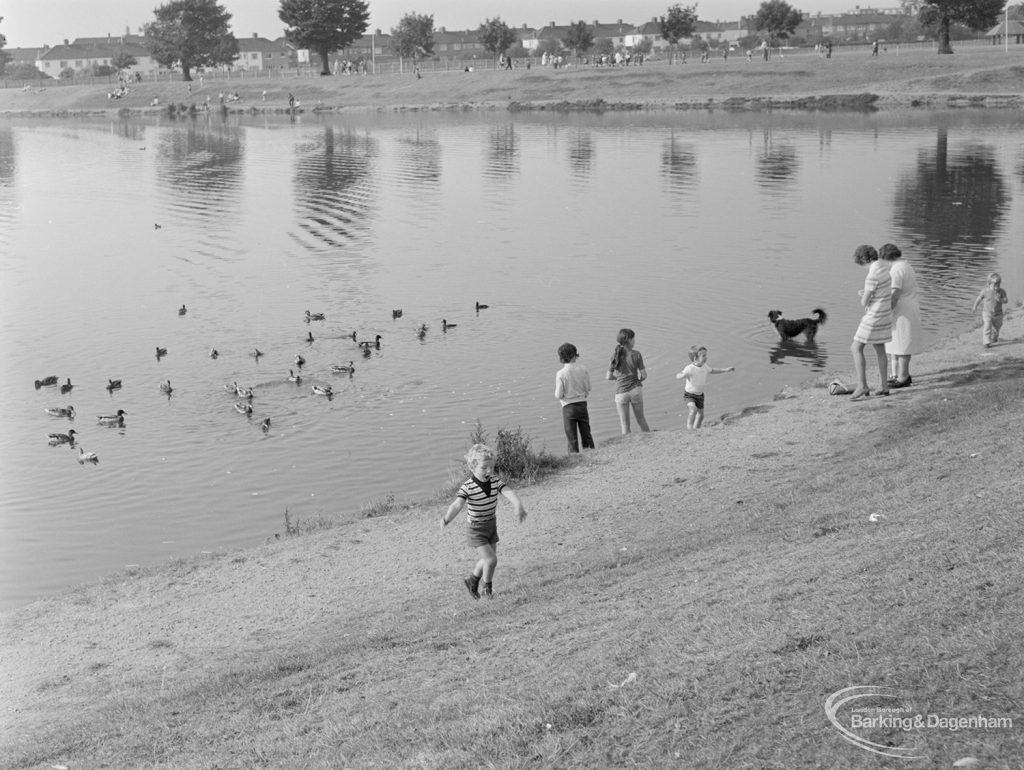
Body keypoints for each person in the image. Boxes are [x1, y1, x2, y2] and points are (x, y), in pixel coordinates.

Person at [441, 444, 526, 599]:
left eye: (492, 467)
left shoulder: (495, 481)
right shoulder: (468, 487)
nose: (489, 471)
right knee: (491, 559)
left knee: (487, 559)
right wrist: (447, 518)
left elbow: (509, 492)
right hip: (476, 529)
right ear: (473, 467)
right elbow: (457, 504)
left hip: (491, 525)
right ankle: (487, 589)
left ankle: (472, 581)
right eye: (484, 467)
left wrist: (518, 505)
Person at [850, 244, 892, 401]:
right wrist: (868, 294)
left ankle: (862, 386)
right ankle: (884, 385)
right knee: (880, 348)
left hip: (874, 316)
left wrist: (863, 294)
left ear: (863, 260)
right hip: (885, 314)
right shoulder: (884, 267)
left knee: (855, 347)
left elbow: (864, 302)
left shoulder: (872, 274)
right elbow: (880, 291)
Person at [881, 243, 923, 388]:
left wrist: (886, 311)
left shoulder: (896, 270)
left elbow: (895, 294)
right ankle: (900, 374)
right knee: (900, 343)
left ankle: (903, 377)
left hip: (902, 311)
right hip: (910, 306)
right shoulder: (906, 265)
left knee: (902, 343)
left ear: (886, 258)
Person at [675, 346, 735, 429]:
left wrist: (725, 370)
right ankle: (689, 428)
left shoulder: (704, 366)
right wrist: (681, 375)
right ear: (695, 358)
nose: (706, 357)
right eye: (703, 356)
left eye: (706, 355)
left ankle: (696, 429)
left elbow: (712, 370)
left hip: (700, 395)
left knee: (701, 415)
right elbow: (678, 375)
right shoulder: (689, 368)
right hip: (689, 395)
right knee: (693, 410)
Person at [606, 328, 650, 434]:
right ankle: (649, 439)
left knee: (625, 424)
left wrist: (617, 378)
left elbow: (608, 376)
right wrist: (639, 380)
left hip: (621, 391)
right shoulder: (636, 354)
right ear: (629, 340)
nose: (635, 341)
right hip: (635, 389)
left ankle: (627, 445)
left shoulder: (614, 356)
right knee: (641, 419)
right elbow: (644, 375)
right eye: (633, 339)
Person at [554, 342, 595, 453]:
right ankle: (591, 453)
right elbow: (589, 387)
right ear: (574, 355)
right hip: (582, 405)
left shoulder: (561, 373)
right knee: (586, 433)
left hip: (568, 407)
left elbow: (558, 394)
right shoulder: (583, 369)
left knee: (571, 437)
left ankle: (574, 458)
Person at [972, 272, 1009, 348]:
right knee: (987, 326)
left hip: (998, 314)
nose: (996, 287)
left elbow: (1006, 300)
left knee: (997, 327)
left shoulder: (1001, 291)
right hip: (987, 313)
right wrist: (975, 306)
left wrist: (1001, 300)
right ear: (989, 284)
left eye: (998, 285)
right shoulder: (985, 291)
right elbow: (979, 298)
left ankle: (994, 337)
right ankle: (986, 342)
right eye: (994, 285)